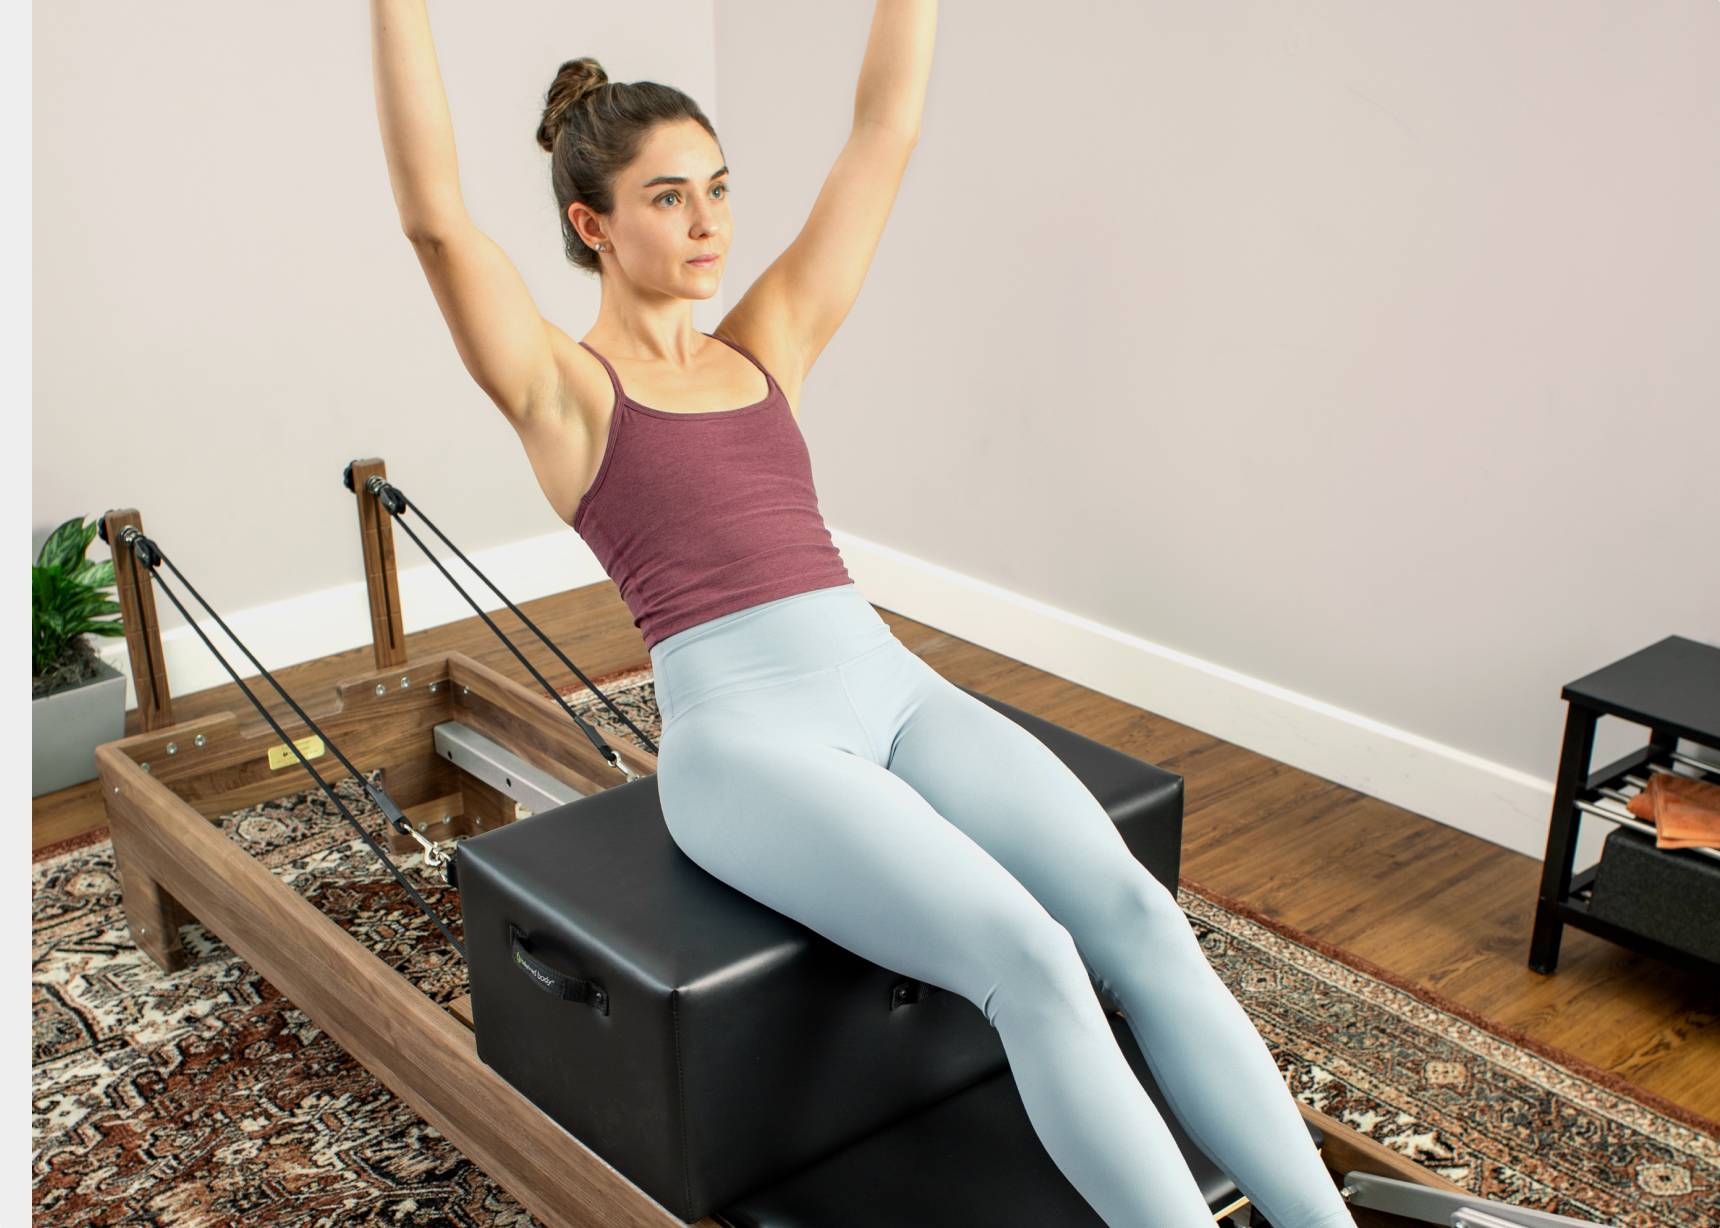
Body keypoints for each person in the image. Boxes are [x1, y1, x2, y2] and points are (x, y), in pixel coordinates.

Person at [370, 3, 1358, 1224]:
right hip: (745, 742)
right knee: (1029, 960)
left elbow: (883, 131)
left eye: (719, 189)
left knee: (1137, 921)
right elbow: (433, 216)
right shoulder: (566, 393)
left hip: (888, 688)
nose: (709, 222)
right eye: (669, 197)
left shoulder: (766, 343)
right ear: (592, 223)